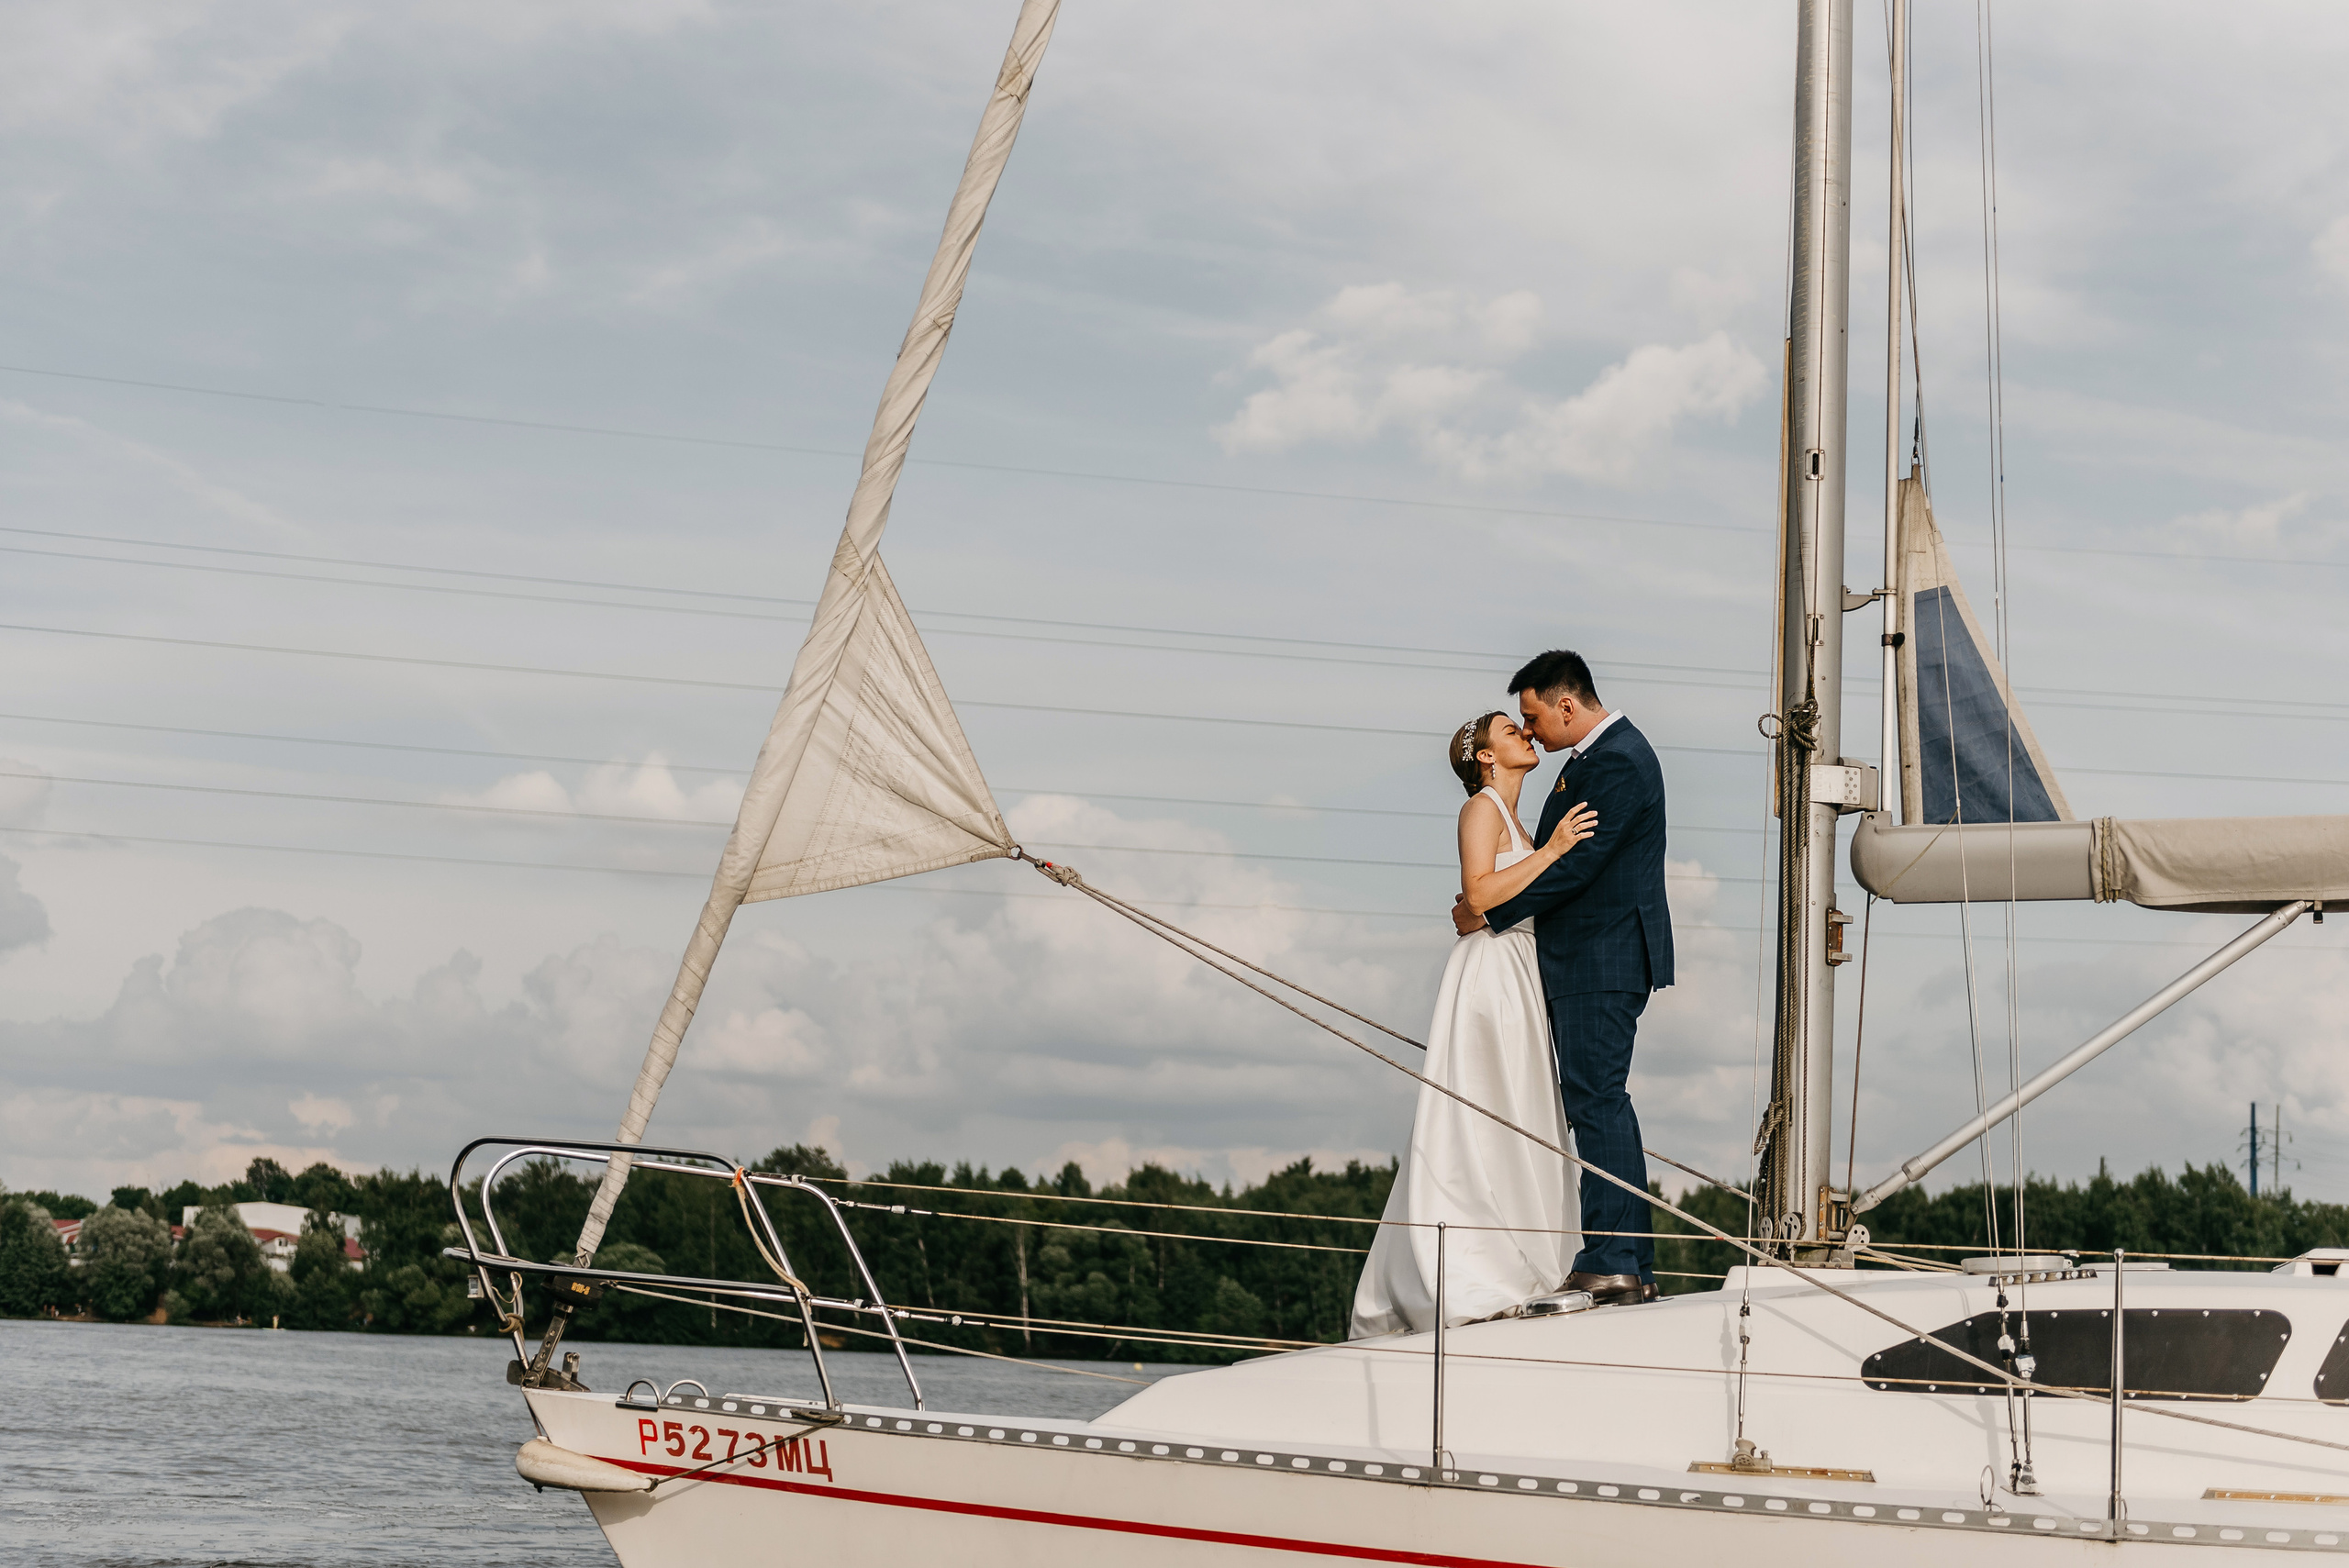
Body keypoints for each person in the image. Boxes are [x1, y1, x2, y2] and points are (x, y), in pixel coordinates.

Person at [1350, 711, 1597, 1336]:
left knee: (1522, 1111)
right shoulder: (1482, 809)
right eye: (1510, 730)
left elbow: (1487, 903)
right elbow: (1480, 894)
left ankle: (1527, 1254)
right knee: (1486, 1106)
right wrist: (1555, 851)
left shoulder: (1518, 818)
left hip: (1521, 965)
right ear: (1485, 757)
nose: (1525, 734)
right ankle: (1469, 1266)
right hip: (1490, 974)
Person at [1455, 649, 1674, 1308]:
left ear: (1566, 705)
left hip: (1600, 957)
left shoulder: (1617, 761)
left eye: (1534, 717)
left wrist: (1488, 911)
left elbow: (1579, 867)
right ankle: (1627, 1257)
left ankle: (1612, 1257)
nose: (1534, 734)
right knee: (1600, 1100)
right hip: (1587, 956)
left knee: (1597, 1099)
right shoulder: (1594, 761)